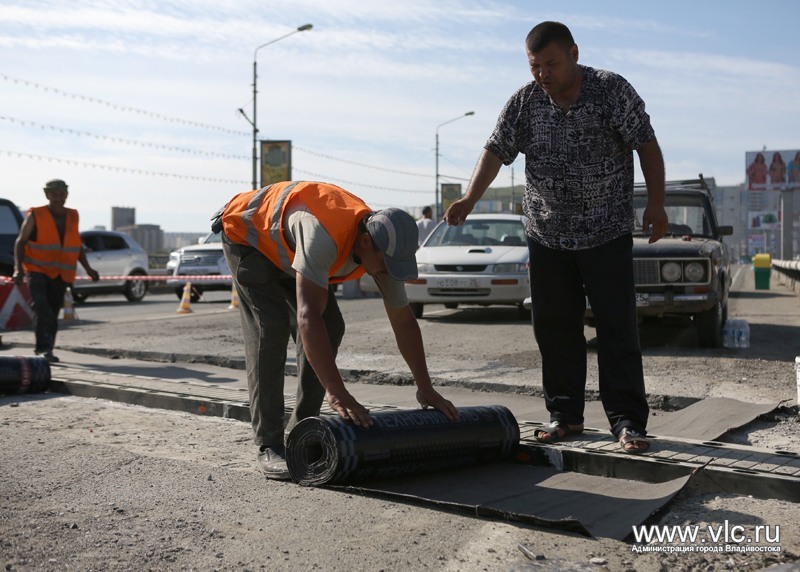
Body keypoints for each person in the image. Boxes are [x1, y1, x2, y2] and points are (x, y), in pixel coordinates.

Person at [444, 21, 667, 454]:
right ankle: (565, 415)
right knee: (554, 329)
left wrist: (655, 204)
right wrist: (470, 198)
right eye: (534, 66)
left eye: (551, 63)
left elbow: (647, 145)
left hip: (606, 233)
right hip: (547, 237)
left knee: (616, 328)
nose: (543, 73)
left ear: (574, 54)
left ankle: (627, 422)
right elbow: (494, 150)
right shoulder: (525, 103)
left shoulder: (611, 91)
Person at [214, 180, 459, 480]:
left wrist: (425, 387)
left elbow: (404, 321)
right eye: (387, 265)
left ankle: (302, 431)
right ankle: (269, 443)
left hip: (287, 248)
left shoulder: (383, 249)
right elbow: (306, 317)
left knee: (330, 327)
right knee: (271, 327)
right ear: (367, 243)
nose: (388, 272)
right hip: (247, 238)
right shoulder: (324, 236)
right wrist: (338, 392)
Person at [12, 179, 99, 363]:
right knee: (43, 308)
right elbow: (20, 241)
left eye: (62, 194)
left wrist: (89, 268)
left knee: (52, 310)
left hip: (60, 273)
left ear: (66, 195)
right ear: (47, 195)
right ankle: (43, 349)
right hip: (37, 270)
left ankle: (47, 349)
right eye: (54, 195)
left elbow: (76, 245)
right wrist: (18, 269)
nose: (59, 198)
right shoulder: (36, 215)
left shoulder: (73, 216)